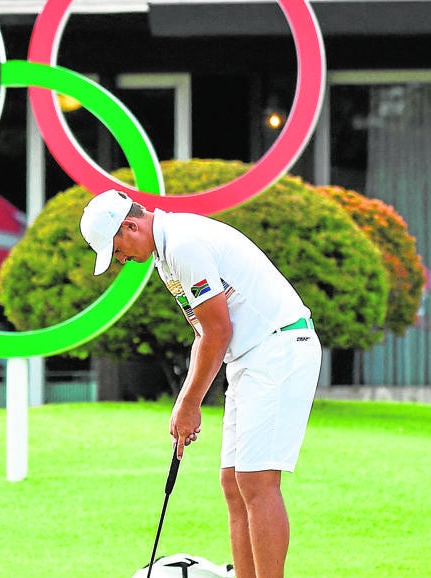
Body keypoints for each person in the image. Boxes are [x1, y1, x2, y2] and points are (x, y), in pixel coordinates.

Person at [79, 189, 322, 578]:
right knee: (233, 483)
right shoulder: (166, 255)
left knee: (256, 481)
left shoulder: (183, 244)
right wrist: (185, 402)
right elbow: (204, 334)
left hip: (280, 347)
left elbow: (217, 330)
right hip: (250, 357)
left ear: (131, 224)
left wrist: (189, 405)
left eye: (117, 249)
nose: (120, 260)